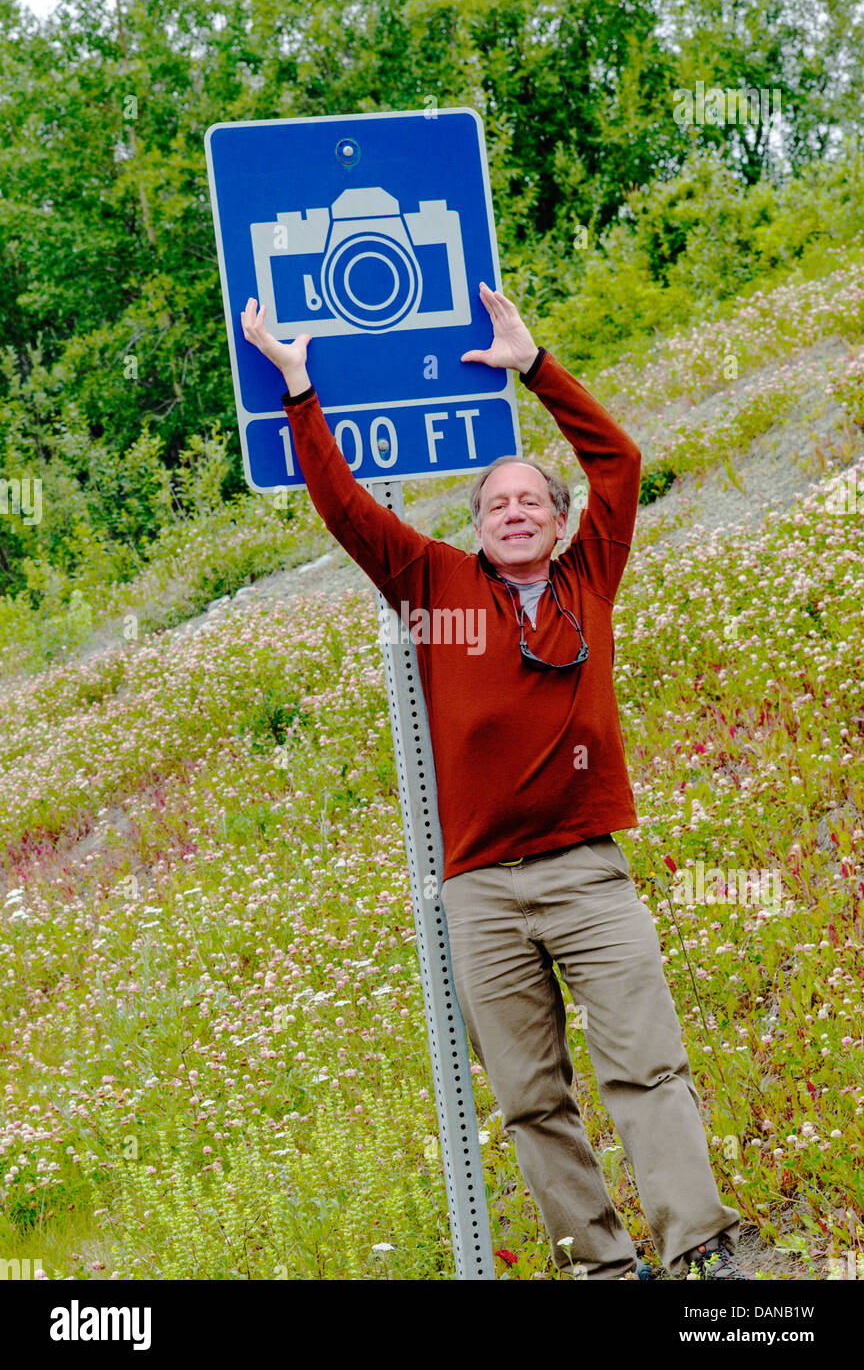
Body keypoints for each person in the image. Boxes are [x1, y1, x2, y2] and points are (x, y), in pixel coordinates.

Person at [240, 283, 746, 1281]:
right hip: (480, 892)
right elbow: (343, 504)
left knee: (646, 1065)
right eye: (497, 503)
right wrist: (299, 386)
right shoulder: (432, 585)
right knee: (530, 1097)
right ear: (476, 525)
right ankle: (601, 1267)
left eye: (533, 501)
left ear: (560, 525)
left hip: (589, 877)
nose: (516, 512)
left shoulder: (587, 576)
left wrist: (533, 363)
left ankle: (702, 1253)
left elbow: (620, 462)